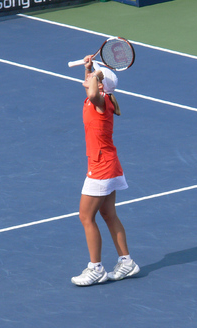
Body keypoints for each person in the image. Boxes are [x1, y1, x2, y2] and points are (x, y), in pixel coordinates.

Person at [71, 56, 140, 286]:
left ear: (101, 86)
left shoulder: (101, 101)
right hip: (108, 163)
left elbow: (91, 93)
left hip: (101, 167)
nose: (89, 78)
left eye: (94, 77)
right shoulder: (101, 99)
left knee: (85, 216)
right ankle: (127, 262)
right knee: (108, 214)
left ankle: (95, 268)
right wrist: (89, 69)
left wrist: (95, 74)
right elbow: (89, 90)